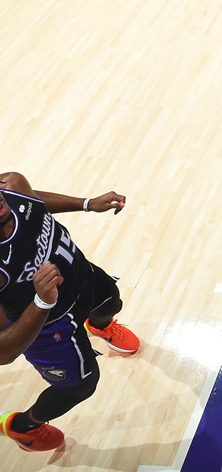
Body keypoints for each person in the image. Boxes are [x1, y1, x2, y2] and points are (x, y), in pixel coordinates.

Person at [0, 173, 138, 453]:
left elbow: (33, 201)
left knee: (110, 304)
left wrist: (86, 203)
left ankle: (100, 326)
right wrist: (41, 301)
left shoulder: (12, 185)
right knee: (81, 387)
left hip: (83, 276)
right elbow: (4, 352)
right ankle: (23, 426)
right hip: (50, 328)